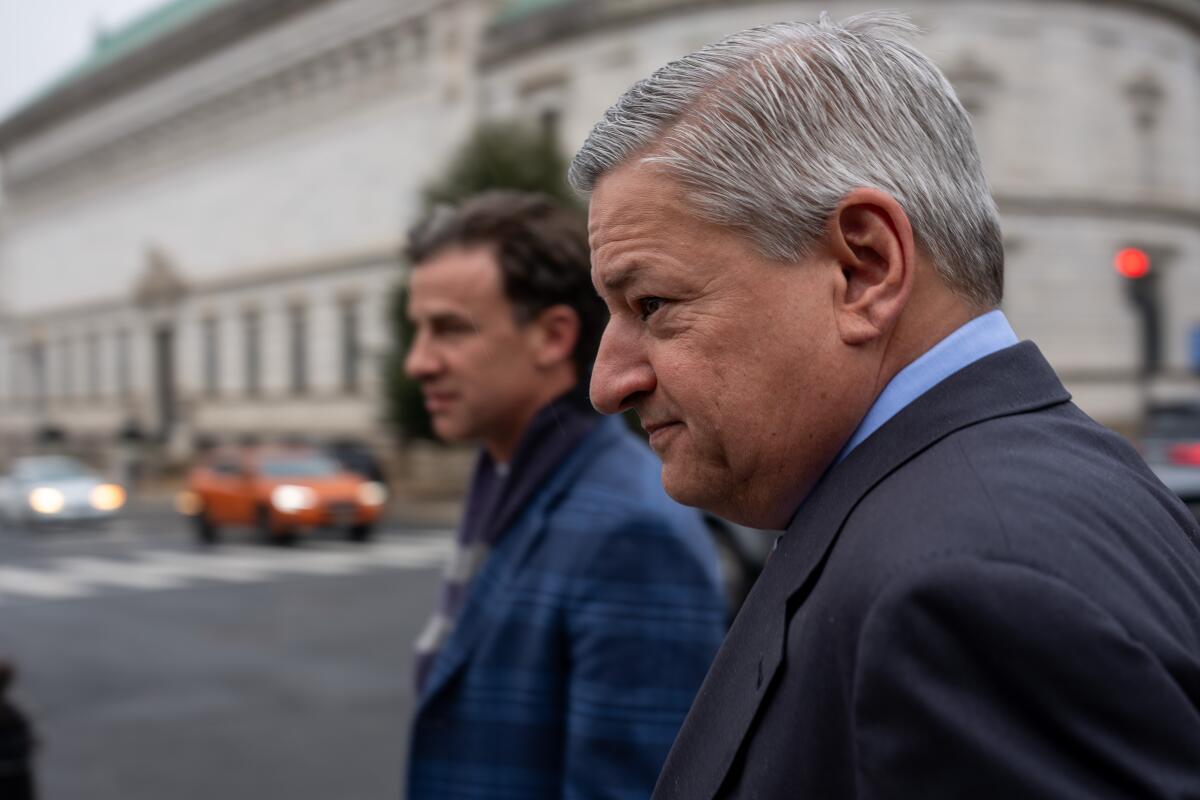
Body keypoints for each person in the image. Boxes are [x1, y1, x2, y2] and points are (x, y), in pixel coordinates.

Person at [571, 12, 1200, 799]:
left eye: (653, 303)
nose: (608, 382)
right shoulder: (1041, 484)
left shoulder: (960, 593)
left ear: (863, 269)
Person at [403, 191, 726, 799]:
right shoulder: (506, 482)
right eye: (417, 330)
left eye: (448, 329)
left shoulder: (630, 533)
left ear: (552, 336)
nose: (417, 362)